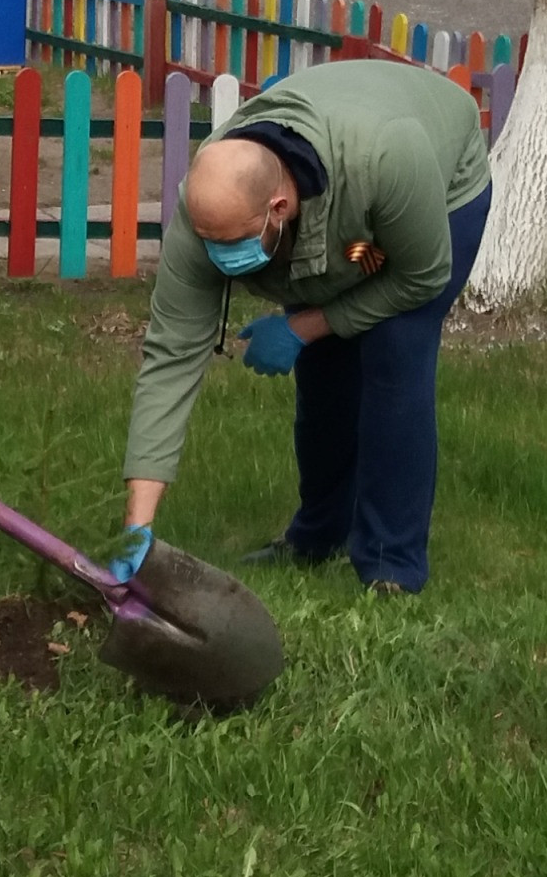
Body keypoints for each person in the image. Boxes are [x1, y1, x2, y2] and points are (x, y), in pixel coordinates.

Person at [112, 58, 490, 595]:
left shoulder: (386, 158)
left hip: (431, 184)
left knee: (393, 347)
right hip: (343, 200)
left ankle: (391, 569)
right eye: (209, 243)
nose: (219, 258)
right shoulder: (209, 210)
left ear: (279, 207)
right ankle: (317, 537)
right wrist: (137, 526)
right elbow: (171, 356)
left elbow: (422, 277)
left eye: (231, 243)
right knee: (325, 370)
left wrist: (306, 326)